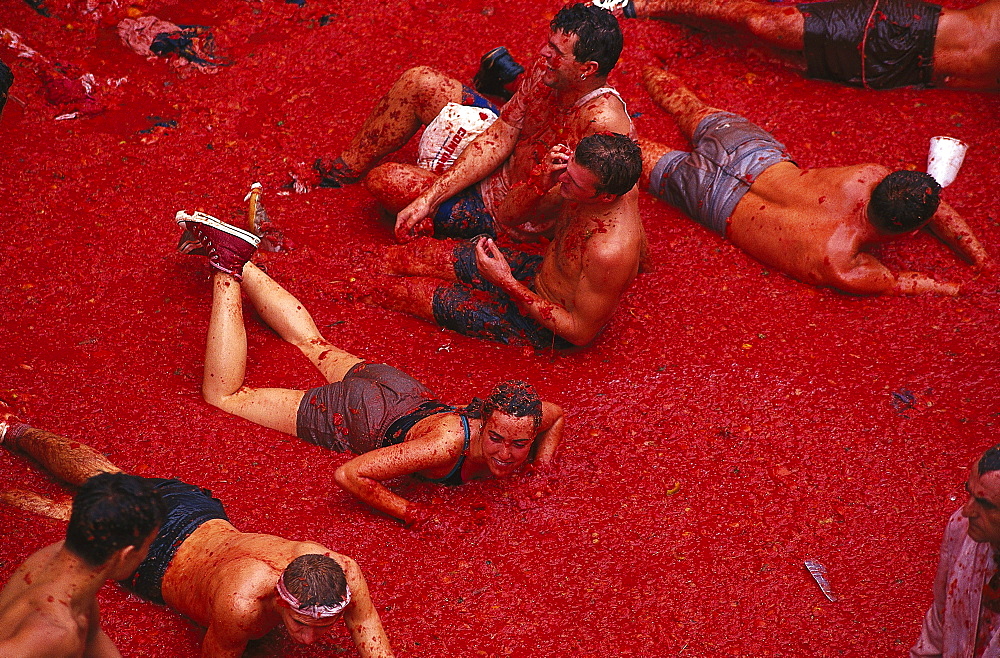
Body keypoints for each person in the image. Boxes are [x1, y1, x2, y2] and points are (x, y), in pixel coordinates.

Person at [174, 211, 564, 525]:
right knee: (226, 396)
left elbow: (557, 416)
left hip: (399, 387)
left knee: (313, 344)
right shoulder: (445, 444)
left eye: (519, 444)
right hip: (359, 413)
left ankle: (237, 254)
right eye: (497, 438)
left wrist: (542, 471)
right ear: (483, 420)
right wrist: (413, 514)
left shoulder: (528, 415)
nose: (507, 454)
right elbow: (350, 475)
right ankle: (226, 267)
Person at [0, 411, 394, 657]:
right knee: (73, 506)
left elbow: (373, 639)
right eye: (300, 624)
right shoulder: (241, 606)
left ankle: (11, 431)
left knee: (106, 481)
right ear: (278, 594)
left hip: (196, 514)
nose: (308, 641)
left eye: (320, 628)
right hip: (160, 561)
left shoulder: (344, 571)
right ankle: (13, 436)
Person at [296, 3, 633, 244]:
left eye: (556, 50)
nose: (543, 53)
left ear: (587, 68)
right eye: (548, 42)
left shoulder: (602, 124)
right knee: (419, 82)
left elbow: (574, 202)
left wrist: (431, 199)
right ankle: (337, 174)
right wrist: (433, 196)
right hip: (494, 158)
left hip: (504, 211)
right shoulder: (549, 71)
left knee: (386, 181)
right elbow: (502, 133)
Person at [638, 67, 990, 295]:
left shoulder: (866, 176)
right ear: (911, 231)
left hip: (750, 153)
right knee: (626, 155)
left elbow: (925, 196)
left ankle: (639, 62)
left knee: (686, 105)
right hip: (714, 200)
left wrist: (980, 257)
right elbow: (906, 281)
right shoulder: (843, 265)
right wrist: (966, 279)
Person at [368, 131, 645, 348]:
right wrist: (540, 182)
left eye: (573, 182)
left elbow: (580, 332)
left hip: (545, 327)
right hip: (538, 273)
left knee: (404, 294)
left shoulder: (607, 252)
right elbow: (507, 215)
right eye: (567, 169)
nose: (563, 180)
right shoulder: (607, 181)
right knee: (415, 256)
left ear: (606, 197)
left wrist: (506, 282)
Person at [606, 0, 1000, 91]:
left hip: (909, 75)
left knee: (772, 58)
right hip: (906, 28)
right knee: (768, 24)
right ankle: (645, 3)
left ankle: (691, 31)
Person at [0, 447, 164, 657]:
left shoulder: (66, 561)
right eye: (148, 545)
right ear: (126, 554)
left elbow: (92, 634)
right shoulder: (54, 634)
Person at [911, 444, 1000, 656]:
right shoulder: (962, 529)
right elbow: (941, 619)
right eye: (969, 494)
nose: (968, 511)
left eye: (985, 504)